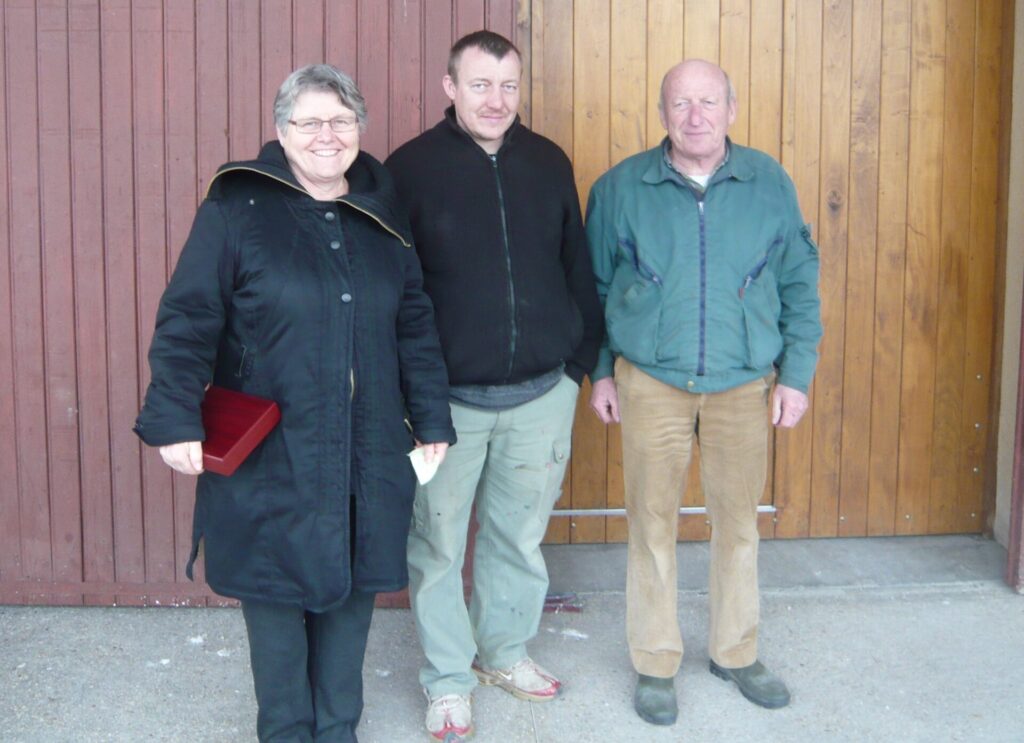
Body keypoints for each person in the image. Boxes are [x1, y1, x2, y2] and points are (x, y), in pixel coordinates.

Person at [133, 64, 455, 743]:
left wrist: (431, 418)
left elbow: (414, 323)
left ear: (360, 128)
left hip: (367, 446)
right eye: (309, 121)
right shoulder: (236, 210)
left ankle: (337, 728)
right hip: (272, 450)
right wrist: (174, 417)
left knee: (353, 592)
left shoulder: (381, 213)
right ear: (281, 132)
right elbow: (188, 318)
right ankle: (284, 731)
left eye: (340, 120)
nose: (326, 135)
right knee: (275, 597)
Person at [586, 59, 822, 725]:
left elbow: (799, 281)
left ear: (731, 110)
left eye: (709, 102)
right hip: (650, 380)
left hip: (742, 383)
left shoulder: (768, 182)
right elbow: (593, 286)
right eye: (681, 103)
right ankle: (655, 662)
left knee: (739, 524)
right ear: (662, 113)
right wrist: (601, 370)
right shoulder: (621, 187)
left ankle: (735, 651)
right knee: (651, 523)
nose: (696, 117)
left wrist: (796, 374)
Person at [385, 30, 604, 743]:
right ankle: (448, 678)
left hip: (542, 395)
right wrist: (412, 394)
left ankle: (503, 653)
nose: (496, 100)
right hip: (446, 405)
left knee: (518, 537)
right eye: (480, 84)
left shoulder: (547, 161)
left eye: (508, 85)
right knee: (438, 546)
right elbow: (396, 291)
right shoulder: (409, 169)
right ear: (450, 87)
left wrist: (577, 364)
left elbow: (576, 266)